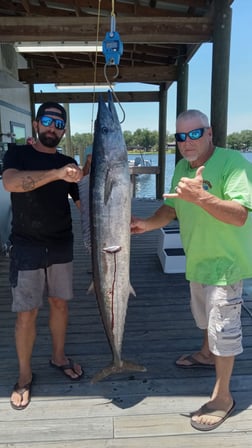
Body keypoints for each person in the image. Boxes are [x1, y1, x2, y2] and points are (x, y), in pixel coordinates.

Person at [131, 109, 252, 432]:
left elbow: (240, 215)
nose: (186, 143)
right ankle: (206, 353)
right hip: (197, 261)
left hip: (226, 266)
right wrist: (145, 223)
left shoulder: (234, 163)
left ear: (209, 133)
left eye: (194, 134)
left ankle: (223, 396)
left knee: (224, 331)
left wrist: (202, 198)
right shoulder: (183, 168)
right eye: (180, 137)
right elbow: (171, 208)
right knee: (205, 318)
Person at [2, 102, 84, 411]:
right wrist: (56, 174)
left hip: (62, 243)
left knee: (60, 303)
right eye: (47, 121)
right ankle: (24, 376)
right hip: (26, 245)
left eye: (59, 124)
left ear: (64, 130)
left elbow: (83, 204)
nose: (53, 127)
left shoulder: (69, 162)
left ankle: (58, 356)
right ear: (36, 124)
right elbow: (10, 182)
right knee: (27, 312)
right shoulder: (18, 154)